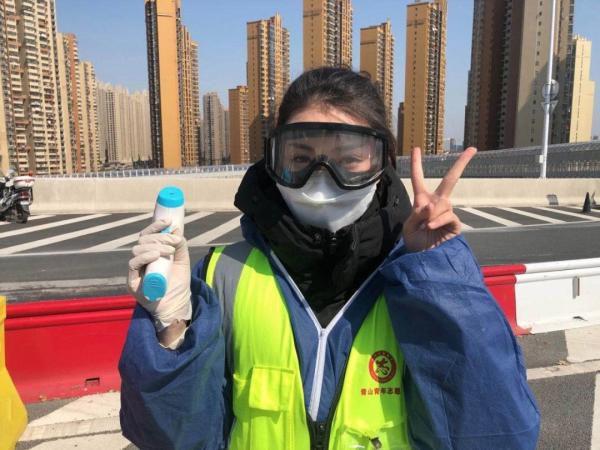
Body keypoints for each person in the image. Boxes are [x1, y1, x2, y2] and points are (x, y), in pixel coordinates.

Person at [120, 68, 540, 449]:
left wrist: (438, 273)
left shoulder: (417, 280)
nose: (321, 180)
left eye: (349, 159)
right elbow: (178, 439)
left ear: (381, 163)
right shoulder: (224, 275)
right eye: (301, 159)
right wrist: (171, 326)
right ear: (273, 161)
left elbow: (496, 435)